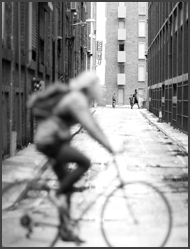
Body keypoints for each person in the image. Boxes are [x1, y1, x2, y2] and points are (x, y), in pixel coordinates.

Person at [27, 71, 122, 242]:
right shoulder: (76, 99)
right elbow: (90, 128)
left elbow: (94, 124)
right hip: (50, 141)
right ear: (89, 87)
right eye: (96, 86)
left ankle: (65, 229)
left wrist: (109, 144)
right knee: (84, 162)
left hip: (53, 140)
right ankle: (57, 194)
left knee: (67, 185)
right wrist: (110, 148)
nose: (98, 90)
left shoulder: (78, 99)